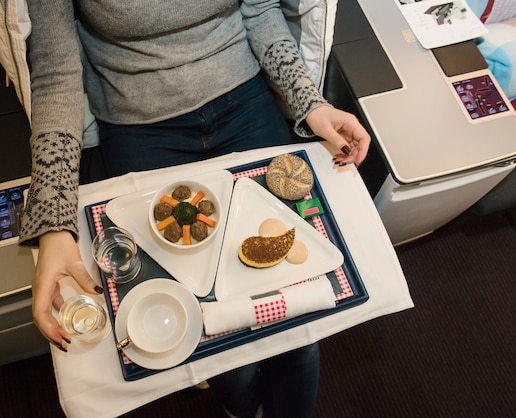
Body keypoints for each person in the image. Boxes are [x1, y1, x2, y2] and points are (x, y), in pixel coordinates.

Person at [21, 1, 370, 417]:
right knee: (203, 319)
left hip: (245, 100)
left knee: (295, 312)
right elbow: (55, 75)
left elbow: (260, 13)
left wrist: (311, 103)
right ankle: (240, 405)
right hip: (139, 124)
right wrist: (54, 219)